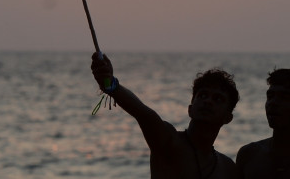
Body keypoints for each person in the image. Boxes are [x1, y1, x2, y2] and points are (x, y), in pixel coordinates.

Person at [91, 52, 240, 179]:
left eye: (218, 99)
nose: (208, 101)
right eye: (202, 95)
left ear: (228, 118)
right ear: (190, 109)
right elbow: (143, 113)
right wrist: (109, 83)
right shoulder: (168, 141)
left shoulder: (228, 169)